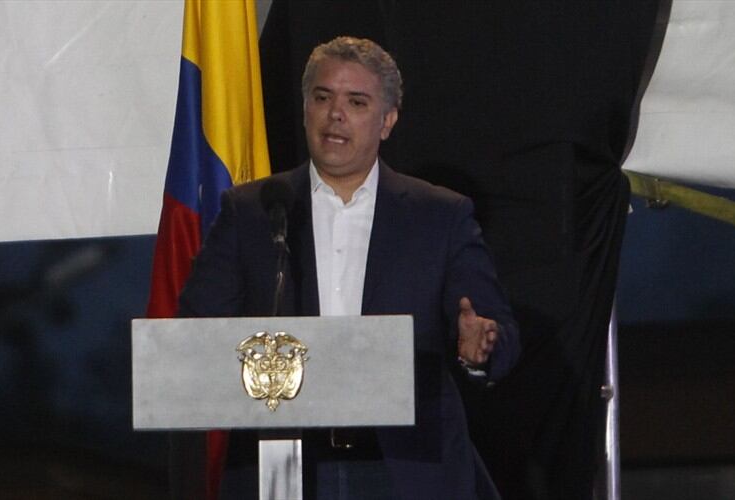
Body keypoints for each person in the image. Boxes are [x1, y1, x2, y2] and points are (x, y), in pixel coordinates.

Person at [178, 36, 520, 500]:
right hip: (285, 465)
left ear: (387, 121)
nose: (335, 114)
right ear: (305, 109)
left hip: (404, 467)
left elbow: (497, 331)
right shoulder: (253, 211)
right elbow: (195, 338)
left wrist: (477, 348)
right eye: (322, 98)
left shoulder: (439, 215)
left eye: (356, 102)